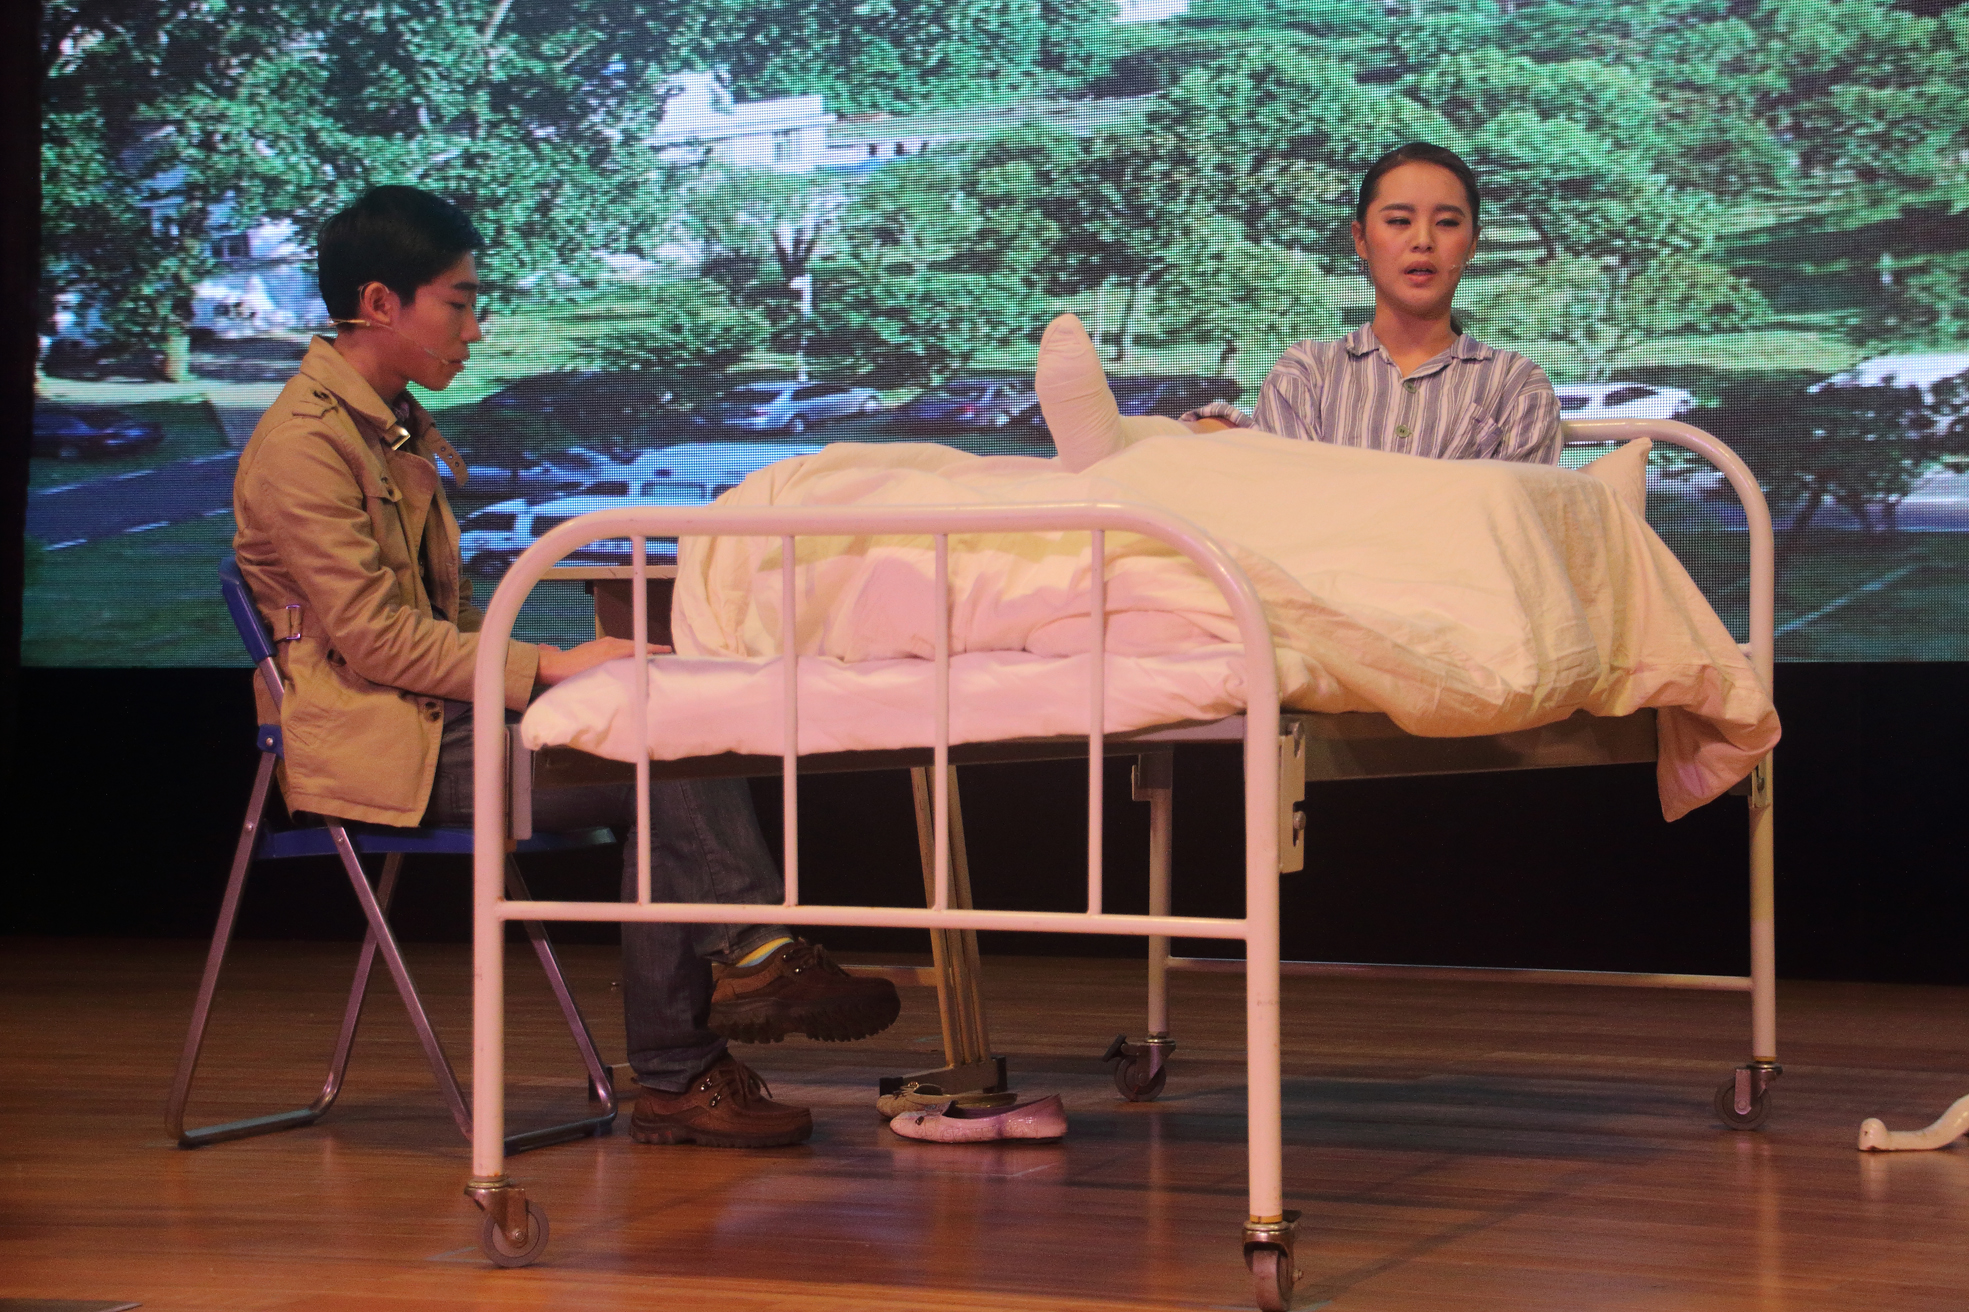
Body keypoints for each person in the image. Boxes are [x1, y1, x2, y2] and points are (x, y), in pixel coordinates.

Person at [231, 185, 897, 1150]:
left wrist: (574, 677)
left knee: (665, 727)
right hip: (380, 750)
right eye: (458, 302)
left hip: (440, 724)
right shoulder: (306, 446)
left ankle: (714, 1022)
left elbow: (433, 627)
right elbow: (376, 641)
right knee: (654, 751)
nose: (474, 327)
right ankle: (726, 997)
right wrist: (550, 667)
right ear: (380, 304)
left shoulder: (384, 424)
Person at [1045, 142, 1560, 471]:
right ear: (1361, 239)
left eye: (1447, 223)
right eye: (1398, 221)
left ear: (1473, 244)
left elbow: (1520, 525)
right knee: (1221, 444)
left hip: (1459, 588)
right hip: (1317, 580)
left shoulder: (1516, 386)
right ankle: (1118, 444)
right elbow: (1290, 498)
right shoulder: (1309, 371)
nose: (1423, 240)